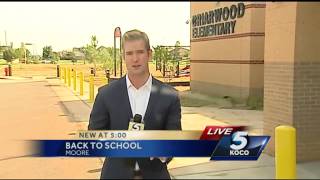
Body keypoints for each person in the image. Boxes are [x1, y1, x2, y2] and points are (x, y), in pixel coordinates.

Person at [88, 29, 182, 179]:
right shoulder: (106, 94)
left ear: (149, 54)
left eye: (140, 52)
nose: (135, 59)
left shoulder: (170, 96)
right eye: (129, 54)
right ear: (123, 56)